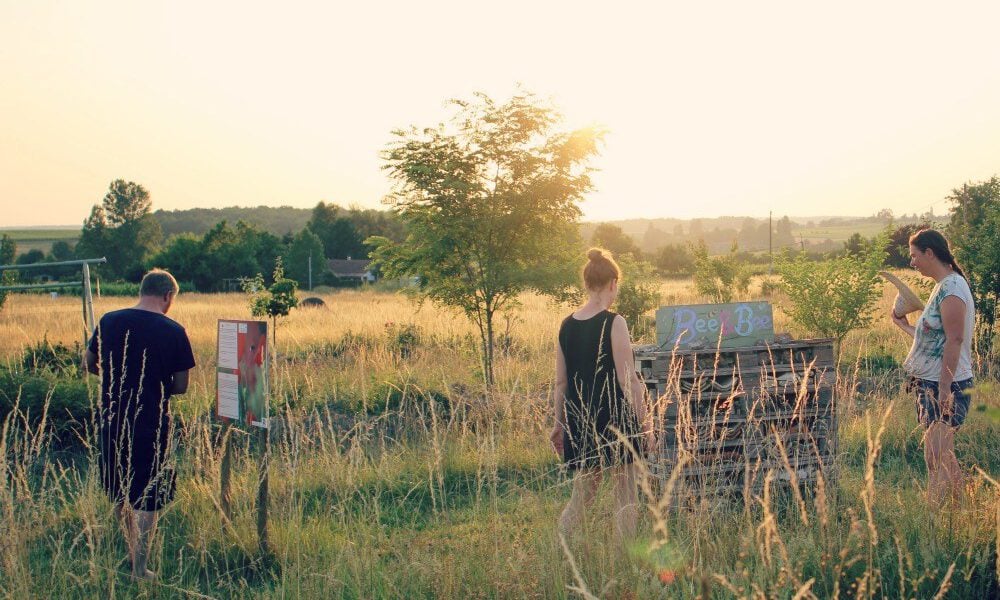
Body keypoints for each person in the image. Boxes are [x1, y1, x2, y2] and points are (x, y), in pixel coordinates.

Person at [84, 269, 196, 580]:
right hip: (151, 421)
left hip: (111, 418)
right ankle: (140, 566)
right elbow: (182, 385)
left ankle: (130, 552)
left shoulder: (108, 320)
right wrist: (154, 385)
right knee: (148, 493)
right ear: (167, 296)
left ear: (142, 290)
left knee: (120, 489)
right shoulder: (174, 330)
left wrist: (113, 381)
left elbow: (88, 362)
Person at [550, 248, 655, 543]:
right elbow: (628, 380)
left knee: (583, 493)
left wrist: (559, 424)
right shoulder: (614, 322)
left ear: (586, 284)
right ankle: (624, 559)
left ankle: (563, 548)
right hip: (614, 418)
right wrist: (645, 424)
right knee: (626, 491)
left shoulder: (566, 325)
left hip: (579, 417)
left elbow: (560, 382)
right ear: (613, 283)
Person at [890, 229, 975, 509]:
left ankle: (934, 519)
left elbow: (955, 339)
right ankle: (962, 510)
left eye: (915, 256)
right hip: (933, 382)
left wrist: (943, 388)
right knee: (943, 455)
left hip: (945, 384)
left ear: (930, 253)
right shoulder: (944, 286)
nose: (912, 263)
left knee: (935, 457)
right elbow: (934, 340)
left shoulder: (952, 289)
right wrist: (904, 326)